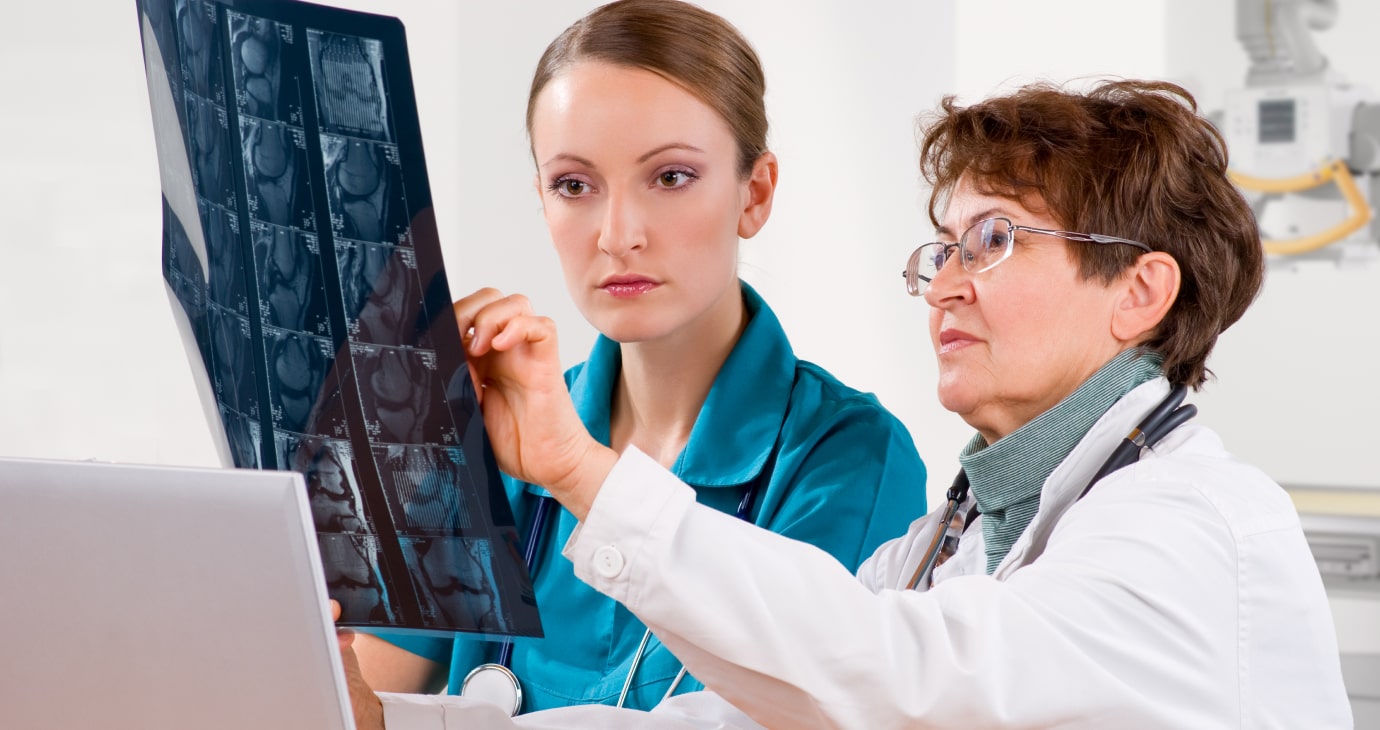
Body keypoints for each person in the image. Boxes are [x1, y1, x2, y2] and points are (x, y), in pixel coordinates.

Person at [338, 75, 1355, 728]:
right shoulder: (949, 544)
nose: (945, 285)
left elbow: (895, 677)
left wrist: (580, 474)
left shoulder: (1191, 533)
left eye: (994, 241)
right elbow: (723, 719)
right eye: (943, 249)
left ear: (1139, 292)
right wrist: (388, 722)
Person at [348, 0, 928, 716]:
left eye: (671, 177)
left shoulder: (849, 461)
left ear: (754, 194)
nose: (617, 235)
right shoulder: (492, 437)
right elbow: (348, 703)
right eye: (574, 185)